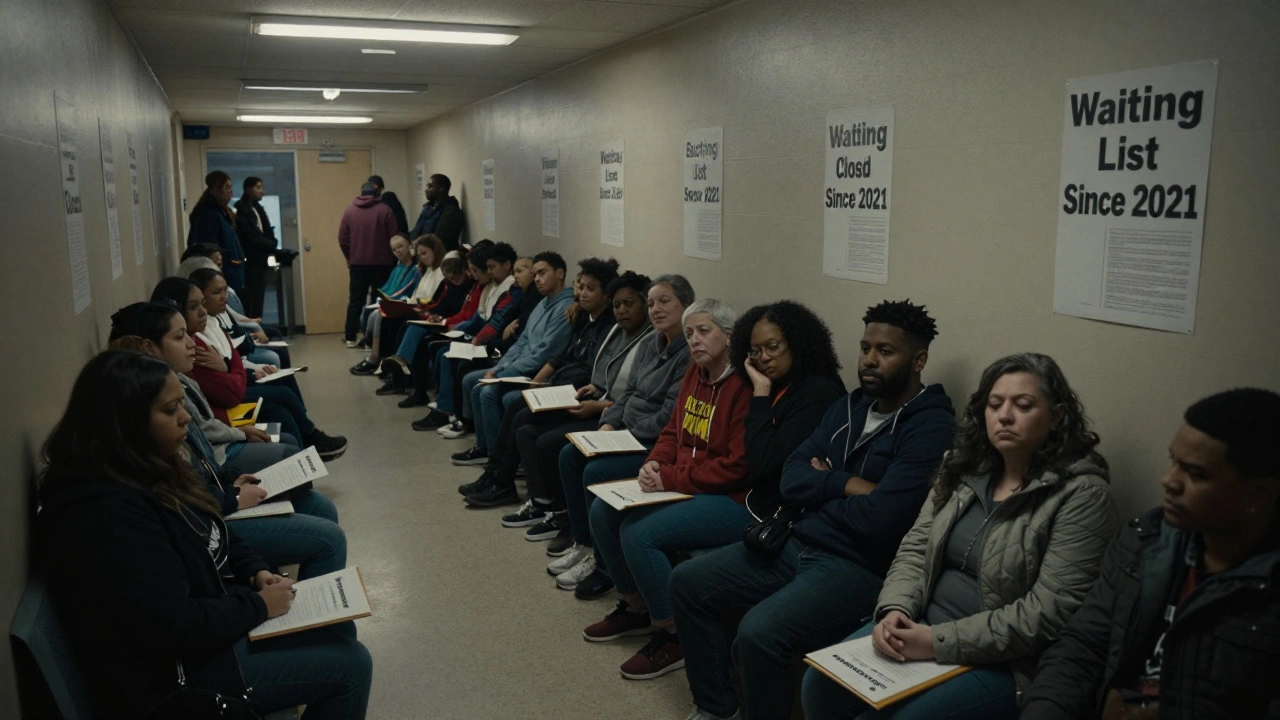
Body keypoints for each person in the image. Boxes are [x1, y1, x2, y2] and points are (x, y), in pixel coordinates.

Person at [36, 350, 372, 719]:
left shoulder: (143, 465)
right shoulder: (107, 513)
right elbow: (172, 626)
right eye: (169, 411)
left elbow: (213, 526)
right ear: (125, 422)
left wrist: (255, 570)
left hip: (208, 625)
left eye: (181, 405)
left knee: (340, 632)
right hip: (176, 677)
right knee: (350, 665)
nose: (184, 419)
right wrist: (259, 606)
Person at [670, 299, 955, 720]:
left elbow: (884, 518)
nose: (870, 360)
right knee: (686, 582)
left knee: (757, 633)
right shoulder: (848, 407)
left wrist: (820, 490)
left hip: (856, 564)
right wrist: (847, 485)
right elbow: (790, 477)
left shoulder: (930, 426)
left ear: (919, 360)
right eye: (865, 348)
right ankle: (717, 707)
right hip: (798, 538)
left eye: (885, 351)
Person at [799, 352, 1115, 720]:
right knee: (819, 685)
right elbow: (916, 547)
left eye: (1023, 405)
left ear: (1057, 416)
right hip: (918, 625)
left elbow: (1048, 613)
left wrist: (936, 642)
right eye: (995, 404)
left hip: (1002, 660)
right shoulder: (963, 466)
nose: (1005, 416)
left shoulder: (1082, 495)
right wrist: (894, 609)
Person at [1022, 388, 1280, 720]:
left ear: (1259, 494)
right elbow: (1082, 647)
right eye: (1174, 462)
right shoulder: (1145, 541)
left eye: (1196, 474)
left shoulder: (1267, 587)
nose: (1169, 481)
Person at [577, 298, 755, 682]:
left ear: (729, 335)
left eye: (704, 331)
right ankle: (635, 607)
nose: (695, 340)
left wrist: (670, 479)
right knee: (602, 511)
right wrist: (654, 462)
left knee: (639, 532)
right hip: (685, 482)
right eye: (689, 333)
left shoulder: (744, 385)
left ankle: (672, 634)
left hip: (732, 498)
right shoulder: (695, 373)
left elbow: (738, 468)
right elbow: (672, 431)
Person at [551, 274, 695, 594]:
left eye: (664, 301)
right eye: (652, 302)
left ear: (686, 305)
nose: (656, 309)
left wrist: (626, 432)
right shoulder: (649, 343)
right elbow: (627, 393)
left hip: (651, 444)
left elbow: (667, 417)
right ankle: (584, 543)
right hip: (624, 431)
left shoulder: (689, 354)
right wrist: (608, 425)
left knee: (597, 470)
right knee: (570, 454)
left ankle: (603, 566)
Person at [500, 270, 656, 538]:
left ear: (644, 304)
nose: (621, 311)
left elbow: (634, 395)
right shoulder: (617, 331)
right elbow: (609, 376)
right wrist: (595, 388)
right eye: (617, 304)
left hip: (614, 417)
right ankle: (542, 504)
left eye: (629, 304)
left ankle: (566, 519)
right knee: (525, 423)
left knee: (551, 444)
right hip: (600, 403)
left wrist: (602, 408)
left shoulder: (650, 341)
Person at [463, 257, 623, 507]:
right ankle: (495, 475)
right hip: (562, 384)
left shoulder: (610, 326)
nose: (581, 294)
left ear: (607, 295)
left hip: (581, 393)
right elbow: (561, 357)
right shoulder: (583, 317)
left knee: (519, 411)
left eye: (590, 289)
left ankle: (503, 481)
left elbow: (592, 372)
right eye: (580, 287)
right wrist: (538, 385)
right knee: (519, 405)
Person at [150, 276, 348, 459]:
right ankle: (308, 444)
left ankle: (308, 443)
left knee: (280, 397)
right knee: (280, 402)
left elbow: (233, 356)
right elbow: (232, 393)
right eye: (194, 306)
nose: (203, 311)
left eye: (202, 303)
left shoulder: (205, 328)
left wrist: (227, 368)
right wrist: (229, 370)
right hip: (225, 416)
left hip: (227, 403)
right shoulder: (195, 347)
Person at [108, 302, 297, 472]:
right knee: (289, 450)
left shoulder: (181, 375)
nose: (191, 343)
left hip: (219, 447)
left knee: (286, 433)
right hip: (216, 458)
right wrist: (239, 434)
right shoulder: (166, 387)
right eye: (180, 337)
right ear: (150, 348)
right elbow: (219, 412)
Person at [450, 251, 575, 465]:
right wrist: (501, 366)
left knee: (485, 389)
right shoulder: (542, 303)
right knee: (471, 379)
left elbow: (544, 354)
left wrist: (499, 373)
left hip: (535, 372)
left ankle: (496, 455)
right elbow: (522, 341)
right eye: (535, 274)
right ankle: (484, 445)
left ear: (560, 273)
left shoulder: (565, 308)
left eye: (542, 273)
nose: (537, 279)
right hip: (519, 366)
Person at [349, 233, 423, 373]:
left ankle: (374, 358)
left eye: (400, 246)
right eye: (394, 249)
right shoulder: (398, 268)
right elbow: (388, 288)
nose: (398, 251)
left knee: (378, 316)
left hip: (405, 304)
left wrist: (389, 299)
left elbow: (406, 290)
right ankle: (375, 355)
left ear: (410, 246)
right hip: (393, 302)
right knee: (368, 312)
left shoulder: (415, 268)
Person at [339, 181, 398, 347]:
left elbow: (342, 238)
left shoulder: (350, 211)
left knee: (356, 300)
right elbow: (394, 237)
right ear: (376, 193)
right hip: (382, 263)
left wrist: (349, 256)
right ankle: (371, 339)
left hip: (358, 264)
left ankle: (350, 337)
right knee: (378, 300)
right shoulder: (385, 210)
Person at [187, 170, 246, 292]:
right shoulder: (208, 215)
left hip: (233, 273)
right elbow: (209, 250)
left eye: (230, 187)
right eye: (226, 187)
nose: (230, 191)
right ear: (214, 190)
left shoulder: (223, 213)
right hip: (223, 275)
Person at [232, 176, 278, 318]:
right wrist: (270, 244)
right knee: (251, 298)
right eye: (258, 188)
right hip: (251, 261)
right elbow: (251, 235)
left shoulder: (258, 209)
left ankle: (258, 325)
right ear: (248, 189)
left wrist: (272, 242)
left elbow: (265, 231)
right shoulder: (242, 210)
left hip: (261, 260)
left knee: (259, 298)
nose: (261, 192)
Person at [409, 173, 465, 251]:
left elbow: (440, 240)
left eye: (430, 186)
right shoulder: (428, 208)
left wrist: (418, 242)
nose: (426, 189)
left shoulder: (451, 212)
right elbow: (417, 230)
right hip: (421, 253)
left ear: (441, 189)